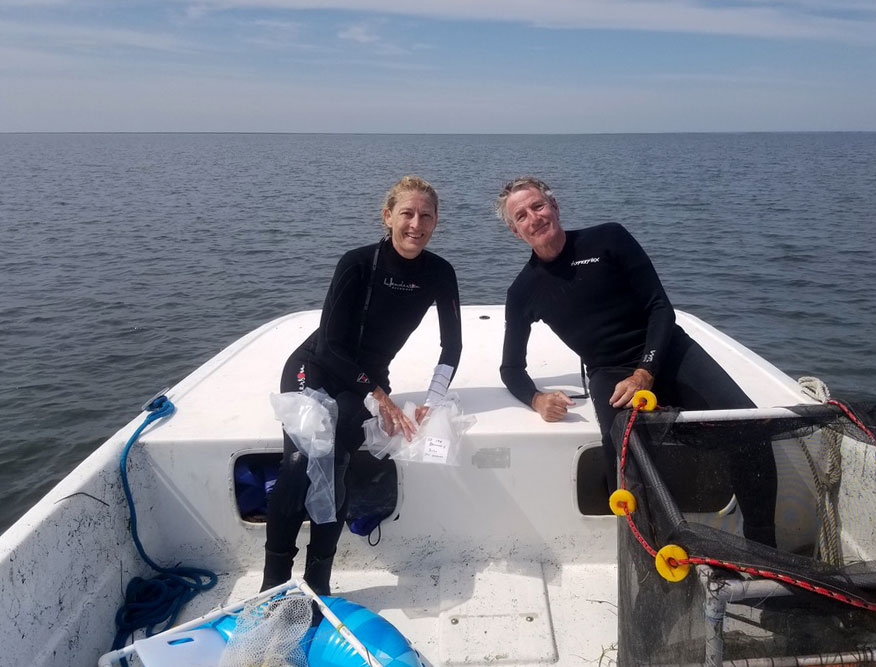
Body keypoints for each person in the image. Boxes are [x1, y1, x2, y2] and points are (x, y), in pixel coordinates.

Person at [496, 176, 777, 547]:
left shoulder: (608, 238)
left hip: (666, 350)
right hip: (608, 371)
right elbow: (511, 368)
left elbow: (659, 307)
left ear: (555, 207)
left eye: (538, 206)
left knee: (748, 426)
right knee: (624, 461)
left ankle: (762, 545)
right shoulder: (523, 291)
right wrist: (537, 399)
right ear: (517, 232)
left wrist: (646, 371)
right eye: (521, 215)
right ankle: (654, 549)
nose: (534, 217)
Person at [262, 176, 462, 593]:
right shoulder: (357, 263)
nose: (416, 224)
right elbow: (331, 345)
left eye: (426, 215)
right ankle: (273, 582)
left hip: (366, 382)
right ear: (387, 216)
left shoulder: (441, 273)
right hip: (314, 367)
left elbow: (452, 346)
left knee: (335, 460)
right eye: (407, 213)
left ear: (436, 222)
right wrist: (378, 394)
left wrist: (432, 401)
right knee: (301, 460)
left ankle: (318, 583)